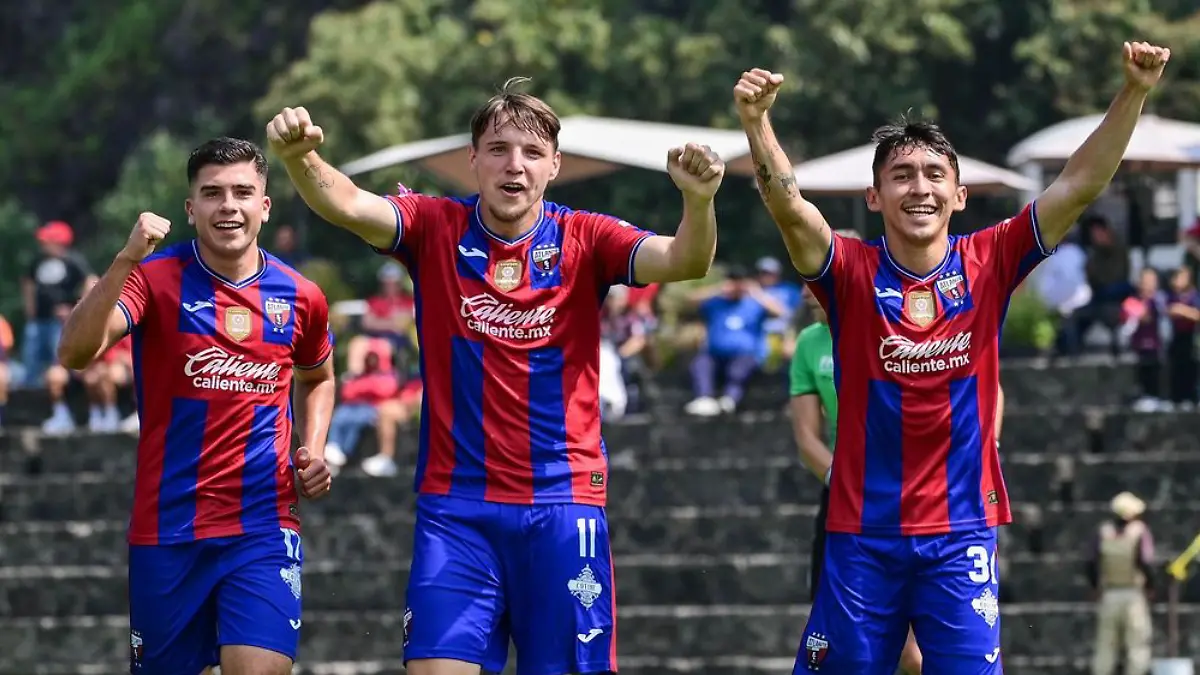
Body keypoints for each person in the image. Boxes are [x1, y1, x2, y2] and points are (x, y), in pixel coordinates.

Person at [266, 76, 724, 675]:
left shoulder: (586, 237)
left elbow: (687, 260)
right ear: (473, 159)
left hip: (562, 503)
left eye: (533, 152)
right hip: (456, 509)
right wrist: (300, 158)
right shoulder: (434, 225)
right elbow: (348, 203)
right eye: (499, 149)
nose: (515, 165)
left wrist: (699, 201)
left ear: (554, 166)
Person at [738, 40, 1171, 673]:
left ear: (960, 195)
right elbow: (788, 206)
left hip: (961, 531)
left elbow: (1079, 184)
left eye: (935, 174)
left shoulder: (990, 259)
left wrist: (1133, 91)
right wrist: (757, 122)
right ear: (874, 196)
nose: (920, 187)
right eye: (901, 175)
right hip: (862, 535)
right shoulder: (849, 272)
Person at [56, 137, 336, 675]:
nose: (228, 205)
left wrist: (314, 448)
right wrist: (125, 259)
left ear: (264, 205)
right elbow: (74, 352)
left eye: (242, 192)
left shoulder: (301, 295)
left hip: (264, 524)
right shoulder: (153, 278)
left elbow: (318, 376)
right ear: (191, 208)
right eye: (212, 193)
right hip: (168, 530)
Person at [790, 252, 1008, 675]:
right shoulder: (809, 344)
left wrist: (987, 446)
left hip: (939, 499)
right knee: (857, 650)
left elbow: (988, 385)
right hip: (854, 504)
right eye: (803, 278)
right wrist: (844, 480)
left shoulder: (895, 321)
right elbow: (806, 438)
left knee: (922, 653)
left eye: (815, 274)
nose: (806, 291)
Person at [1086, 492, 1154, 675]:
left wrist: (1094, 586)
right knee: (1137, 643)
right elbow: (1145, 562)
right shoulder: (1139, 531)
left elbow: (1091, 562)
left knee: (1105, 643)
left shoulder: (1103, 532)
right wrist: (1150, 586)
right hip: (1133, 593)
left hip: (1109, 593)